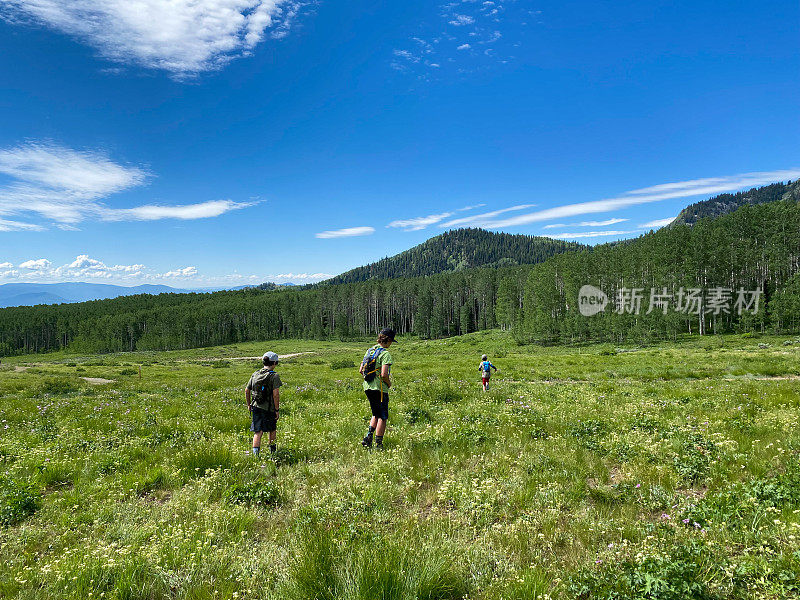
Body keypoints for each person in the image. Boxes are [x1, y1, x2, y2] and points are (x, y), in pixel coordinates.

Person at [359, 328, 397, 450]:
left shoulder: (369, 351)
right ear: (389, 340)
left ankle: (368, 437)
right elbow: (384, 374)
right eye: (391, 341)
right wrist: (389, 383)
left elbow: (361, 370)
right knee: (383, 417)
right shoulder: (385, 354)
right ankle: (378, 444)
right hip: (379, 388)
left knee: (375, 413)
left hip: (367, 386)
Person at [245, 351, 282, 456]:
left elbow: (247, 391)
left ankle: (255, 456)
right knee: (272, 430)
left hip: (256, 406)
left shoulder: (255, 374)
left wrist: (249, 405)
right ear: (274, 363)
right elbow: (276, 395)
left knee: (258, 432)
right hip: (269, 408)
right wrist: (277, 410)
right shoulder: (274, 376)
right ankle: (273, 454)